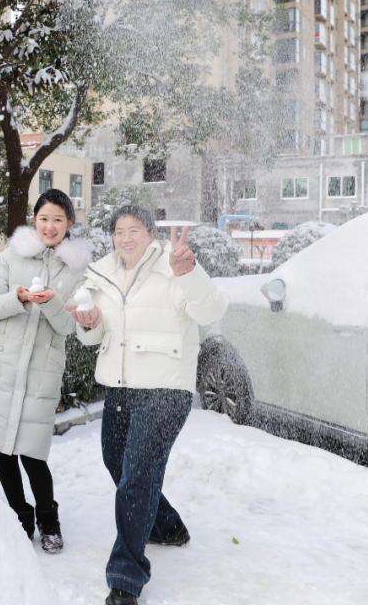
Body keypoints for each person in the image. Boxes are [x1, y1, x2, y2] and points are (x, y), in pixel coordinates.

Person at [70, 205, 227, 605]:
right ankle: (167, 527)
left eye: (134, 229)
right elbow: (93, 337)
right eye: (119, 230)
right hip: (121, 388)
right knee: (117, 463)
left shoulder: (171, 268)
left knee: (137, 475)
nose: (126, 238)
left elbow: (211, 311)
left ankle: (125, 578)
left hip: (165, 388)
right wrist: (87, 324)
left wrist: (189, 272)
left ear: (150, 233)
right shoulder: (101, 274)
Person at [0, 189, 92, 554]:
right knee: (3, 450)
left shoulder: (78, 270)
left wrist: (49, 304)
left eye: (58, 219)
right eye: (44, 218)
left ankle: (49, 520)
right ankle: (21, 516)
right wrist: (18, 299)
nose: (50, 226)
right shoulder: (10, 256)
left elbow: (69, 327)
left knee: (34, 453)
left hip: (40, 369)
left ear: (69, 224)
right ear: (34, 220)